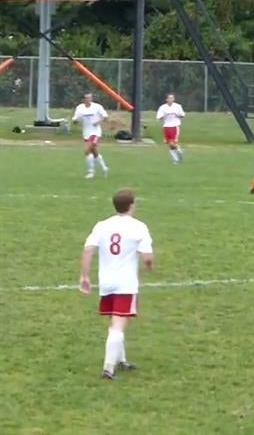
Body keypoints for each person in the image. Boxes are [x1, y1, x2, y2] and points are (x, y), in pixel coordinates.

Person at [79, 189, 154, 380]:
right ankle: (108, 368)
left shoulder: (102, 225)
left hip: (107, 281)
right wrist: (149, 265)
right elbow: (147, 256)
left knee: (116, 321)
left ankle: (121, 360)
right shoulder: (139, 227)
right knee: (118, 325)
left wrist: (85, 276)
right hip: (125, 283)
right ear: (131, 205)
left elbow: (88, 250)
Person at [72, 93, 109, 179]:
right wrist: (77, 120)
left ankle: (90, 172)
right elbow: (75, 121)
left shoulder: (97, 107)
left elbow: (105, 117)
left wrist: (98, 122)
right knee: (94, 152)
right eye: (86, 98)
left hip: (95, 132)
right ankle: (104, 168)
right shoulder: (80, 108)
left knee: (87, 151)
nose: (88, 100)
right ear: (83, 99)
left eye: (90, 98)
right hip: (86, 133)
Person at [155, 93, 185, 164]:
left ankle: (179, 152)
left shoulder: (177, 106)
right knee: (170, 144)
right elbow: (159, 117)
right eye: (169, 98)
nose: (171, 99)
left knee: (172, 143)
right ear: (166, 99)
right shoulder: (162, 107)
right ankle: (176, 159)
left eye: (172, 98)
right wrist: (165, 115)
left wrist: (177, 114)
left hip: (175, 126)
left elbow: (182, 115)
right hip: (166, 126)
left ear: (174, 99)